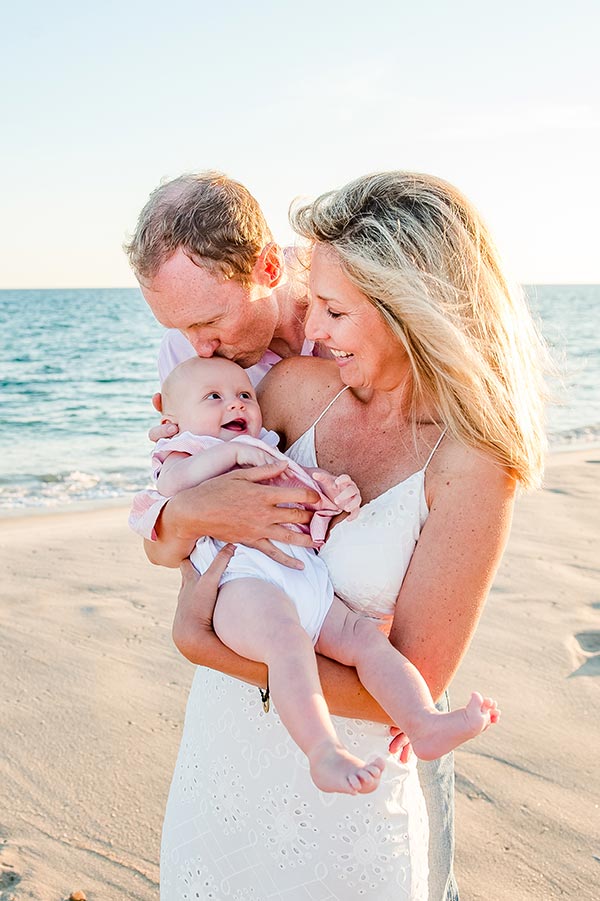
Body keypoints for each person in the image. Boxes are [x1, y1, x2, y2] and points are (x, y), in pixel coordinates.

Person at [125, 170, 546, 899]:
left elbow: (417, 681)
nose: (311, 333)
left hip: (347, 796)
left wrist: (214, 648)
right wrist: (190, 518)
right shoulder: (286, 392)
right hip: (222, 760)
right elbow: (181, 518)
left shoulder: (472, 465)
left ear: (409, 312)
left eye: (334, 311)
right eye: (313, 305)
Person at [140, 354, 500, 796]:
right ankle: (323, 751)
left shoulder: (264, 446)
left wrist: (329, 489)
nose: (235, 405)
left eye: (244, 395)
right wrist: (229, 453)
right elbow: (171, 488)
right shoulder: (183, 451)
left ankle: (422, 722)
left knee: (364, 639)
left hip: (302, 578)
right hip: (240, 583)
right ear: (174, 419)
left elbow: (296, 483)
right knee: (287, 643)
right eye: (213, 397)